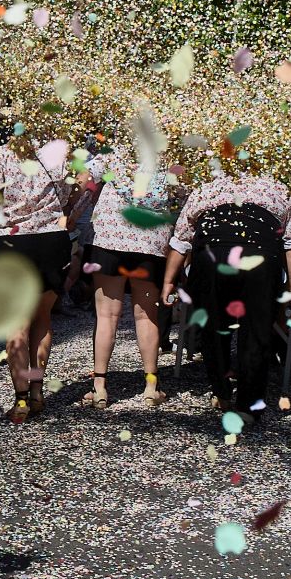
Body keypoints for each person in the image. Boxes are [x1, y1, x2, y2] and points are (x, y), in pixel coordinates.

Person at [161, 163, 291, 422]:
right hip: (260, 255)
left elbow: (181, 240)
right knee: (257, 329)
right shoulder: (279, 189)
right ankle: (248, 406)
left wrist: (169, 281)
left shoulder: (207, 186)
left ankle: (222, 390)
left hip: (213, 253)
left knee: (213, 326)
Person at [0, 130, 79, 423]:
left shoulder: (2, 154)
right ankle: (37, 391)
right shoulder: (59, 153)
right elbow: (72, 193)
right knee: (43, 318)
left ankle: (20, 399)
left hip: (14, 240)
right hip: (52, 240)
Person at [81, 143, 184, 408]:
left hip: (110, 239)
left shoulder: (115, 152)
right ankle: (151, 385)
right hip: (151, 243)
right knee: (146, 314)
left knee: (107, 316)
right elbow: (183, 197)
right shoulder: (169, 157)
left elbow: (85, 178)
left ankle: (100, 386)